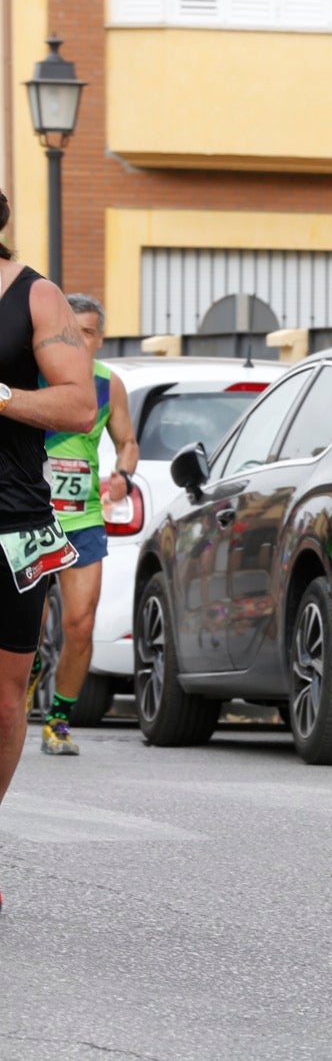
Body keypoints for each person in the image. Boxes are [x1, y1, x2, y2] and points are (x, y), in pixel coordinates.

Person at [0, 189, 98, 911]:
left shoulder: (36, 298)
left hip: (10, 520)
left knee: (4, 696)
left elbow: (78, 404)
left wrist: (2, 399)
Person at [35, 294, 138, 756]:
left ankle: (58, 720)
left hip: (83, 521)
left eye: (89, 331)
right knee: (27, 631)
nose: (80, 339)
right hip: (31, 520)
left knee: (80, 625)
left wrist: (123, 476)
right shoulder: (31, 375)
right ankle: (19, 693)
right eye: (71, 330)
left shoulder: (107, 384)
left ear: (100, 338)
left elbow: (127, 441)